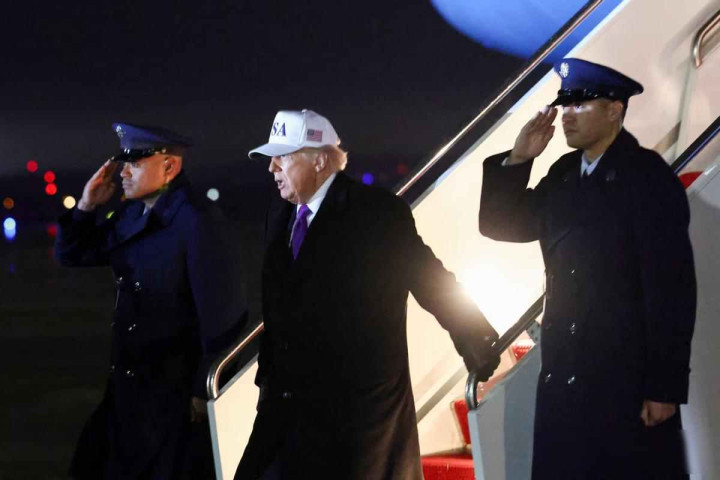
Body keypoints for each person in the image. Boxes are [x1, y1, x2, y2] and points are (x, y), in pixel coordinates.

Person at [234, 109, 500, 479]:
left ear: (320, 160)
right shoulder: (279, 216)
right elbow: (278, 309)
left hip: (355, 418)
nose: (272, 167)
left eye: (283, 157)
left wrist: (476, 337)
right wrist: (267, 380)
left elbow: (429, 279)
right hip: (285, 411)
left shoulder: (375, 212)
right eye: (271, 158)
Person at [479, 58, 696, 479]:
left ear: (614, 110)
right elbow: (502, 224)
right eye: (566, 105)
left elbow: (671, 289)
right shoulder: (564, 174)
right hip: (564, 379)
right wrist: (519, 158)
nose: (567, 115)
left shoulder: (647, 177)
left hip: (623, 381)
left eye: (581, 104)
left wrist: (664, 387)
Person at [56, 123, 248, 479]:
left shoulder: (198, 221)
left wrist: (204, 390)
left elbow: (223, 313)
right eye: (123, 163)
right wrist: (86, 206)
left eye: (134, 163)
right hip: (128, 394)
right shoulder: (133, 214)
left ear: (169, 166)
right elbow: (72, 254)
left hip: (173, 402)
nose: (123, 173)